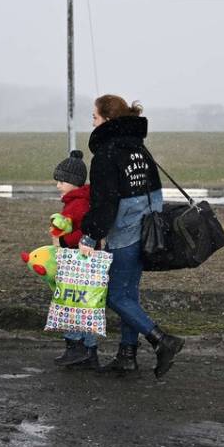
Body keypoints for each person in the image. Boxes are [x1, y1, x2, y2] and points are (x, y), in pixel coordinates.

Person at [78, 94, 184, 379]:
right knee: (129, 295)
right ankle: (127, 355)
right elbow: (155, 193)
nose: (92, 121)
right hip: (148, 232)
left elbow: (105, 203)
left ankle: (162, 340)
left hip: (124, 235)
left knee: (114, 296)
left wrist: (90, 235)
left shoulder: (106, 155)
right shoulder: (139, 149)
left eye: (95, 117)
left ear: (108, 120)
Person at [49, 150, 100, 368]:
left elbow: (83, 232)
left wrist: (62, 240)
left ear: (74, 182)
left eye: (62, 181)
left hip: (79, 260)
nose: (58, 185)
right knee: (85, 307)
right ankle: (89, 351)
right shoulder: (79, 201)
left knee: (73, 305)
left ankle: (75, 347)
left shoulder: (78, 204)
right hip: (85, 260)